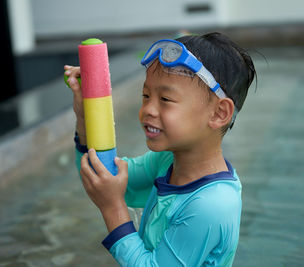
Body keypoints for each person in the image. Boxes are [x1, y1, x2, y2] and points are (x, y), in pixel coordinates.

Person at [64, 32, 256, 266]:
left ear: (219, 113)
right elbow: (103, 178)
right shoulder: (166, 162)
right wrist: (86, 118)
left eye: (165, 99)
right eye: (146, 95)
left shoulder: (211, 205)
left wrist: (113, 208)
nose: (148, 110)